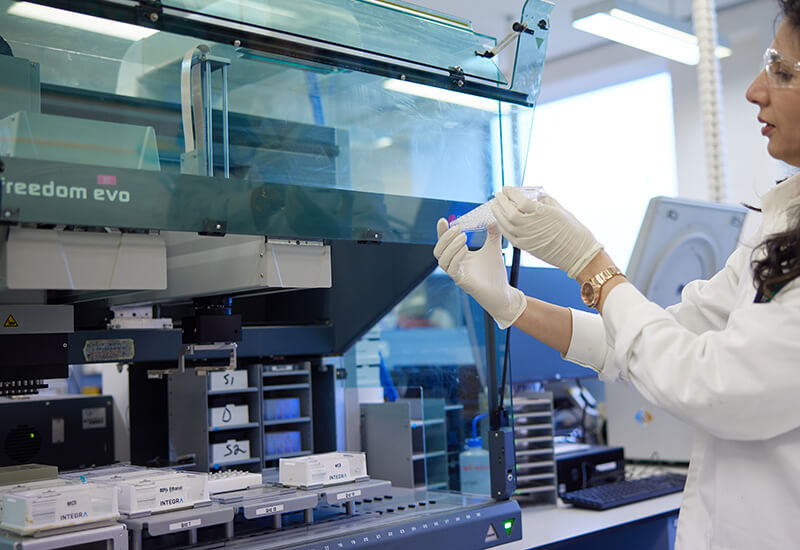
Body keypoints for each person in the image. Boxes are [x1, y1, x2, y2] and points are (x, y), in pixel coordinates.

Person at [434, 1, 800, 548]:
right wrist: (511, 304)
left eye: (785, 72)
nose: (755, 90)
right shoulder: (784, 219)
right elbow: (647, 342)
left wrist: (592, 264)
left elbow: (710, 383)